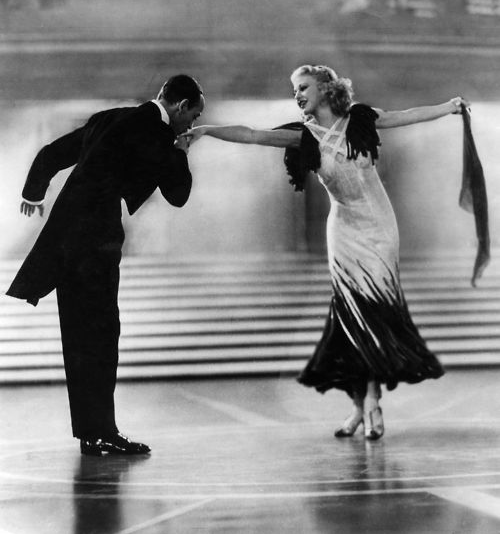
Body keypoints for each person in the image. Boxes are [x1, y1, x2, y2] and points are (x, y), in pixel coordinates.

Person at [184, 64, 466, 440]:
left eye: (303, 87)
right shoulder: (304, 136)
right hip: (343, 230)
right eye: (294, 89)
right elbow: (251, 134)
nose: (297, 94)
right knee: (351, 317)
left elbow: (405, 116)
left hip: (379, 228)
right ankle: (364, 404)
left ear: (325, 89)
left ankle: (368, 401)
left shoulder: (360, 118)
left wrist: (448, 107)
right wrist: (207, 130)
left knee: (373, 313)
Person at [6, 75, 205, 455]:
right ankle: (99, 432)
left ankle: (94, 432)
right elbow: (178, 194)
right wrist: (181, 151)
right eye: (194, 116)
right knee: (99, 339)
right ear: (181, 106)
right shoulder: (159, 135)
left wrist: (33, 193)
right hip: (94, 245)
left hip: (67, 243)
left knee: (82, 339)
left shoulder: (109, 118)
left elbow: (52, 153)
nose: (192, 124)